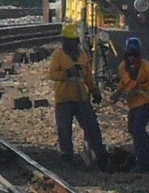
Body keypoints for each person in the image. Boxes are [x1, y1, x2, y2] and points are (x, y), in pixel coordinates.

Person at [46, 23, 109, 168]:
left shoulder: (82, 55)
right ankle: (67, 156)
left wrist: (94, 90)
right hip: (64, 98)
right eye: (67, 40)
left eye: (72, 40)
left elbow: (88, 76)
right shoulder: (58, 55)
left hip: (81, 98)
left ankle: (100, 154)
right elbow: (52, 75)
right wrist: (67, 72)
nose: (69, 43)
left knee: (91, 126)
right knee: (64, 128)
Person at [111, 37, 149, 173]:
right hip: (133, 104)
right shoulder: (122, 68)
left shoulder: (147, 68)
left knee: (137, 130)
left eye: (135, 55)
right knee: (133, 129)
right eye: (129, 55)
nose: (132, 58)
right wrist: (117, 94)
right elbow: (125, 83)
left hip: (146, 103)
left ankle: (144, 163)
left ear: (140, 55)